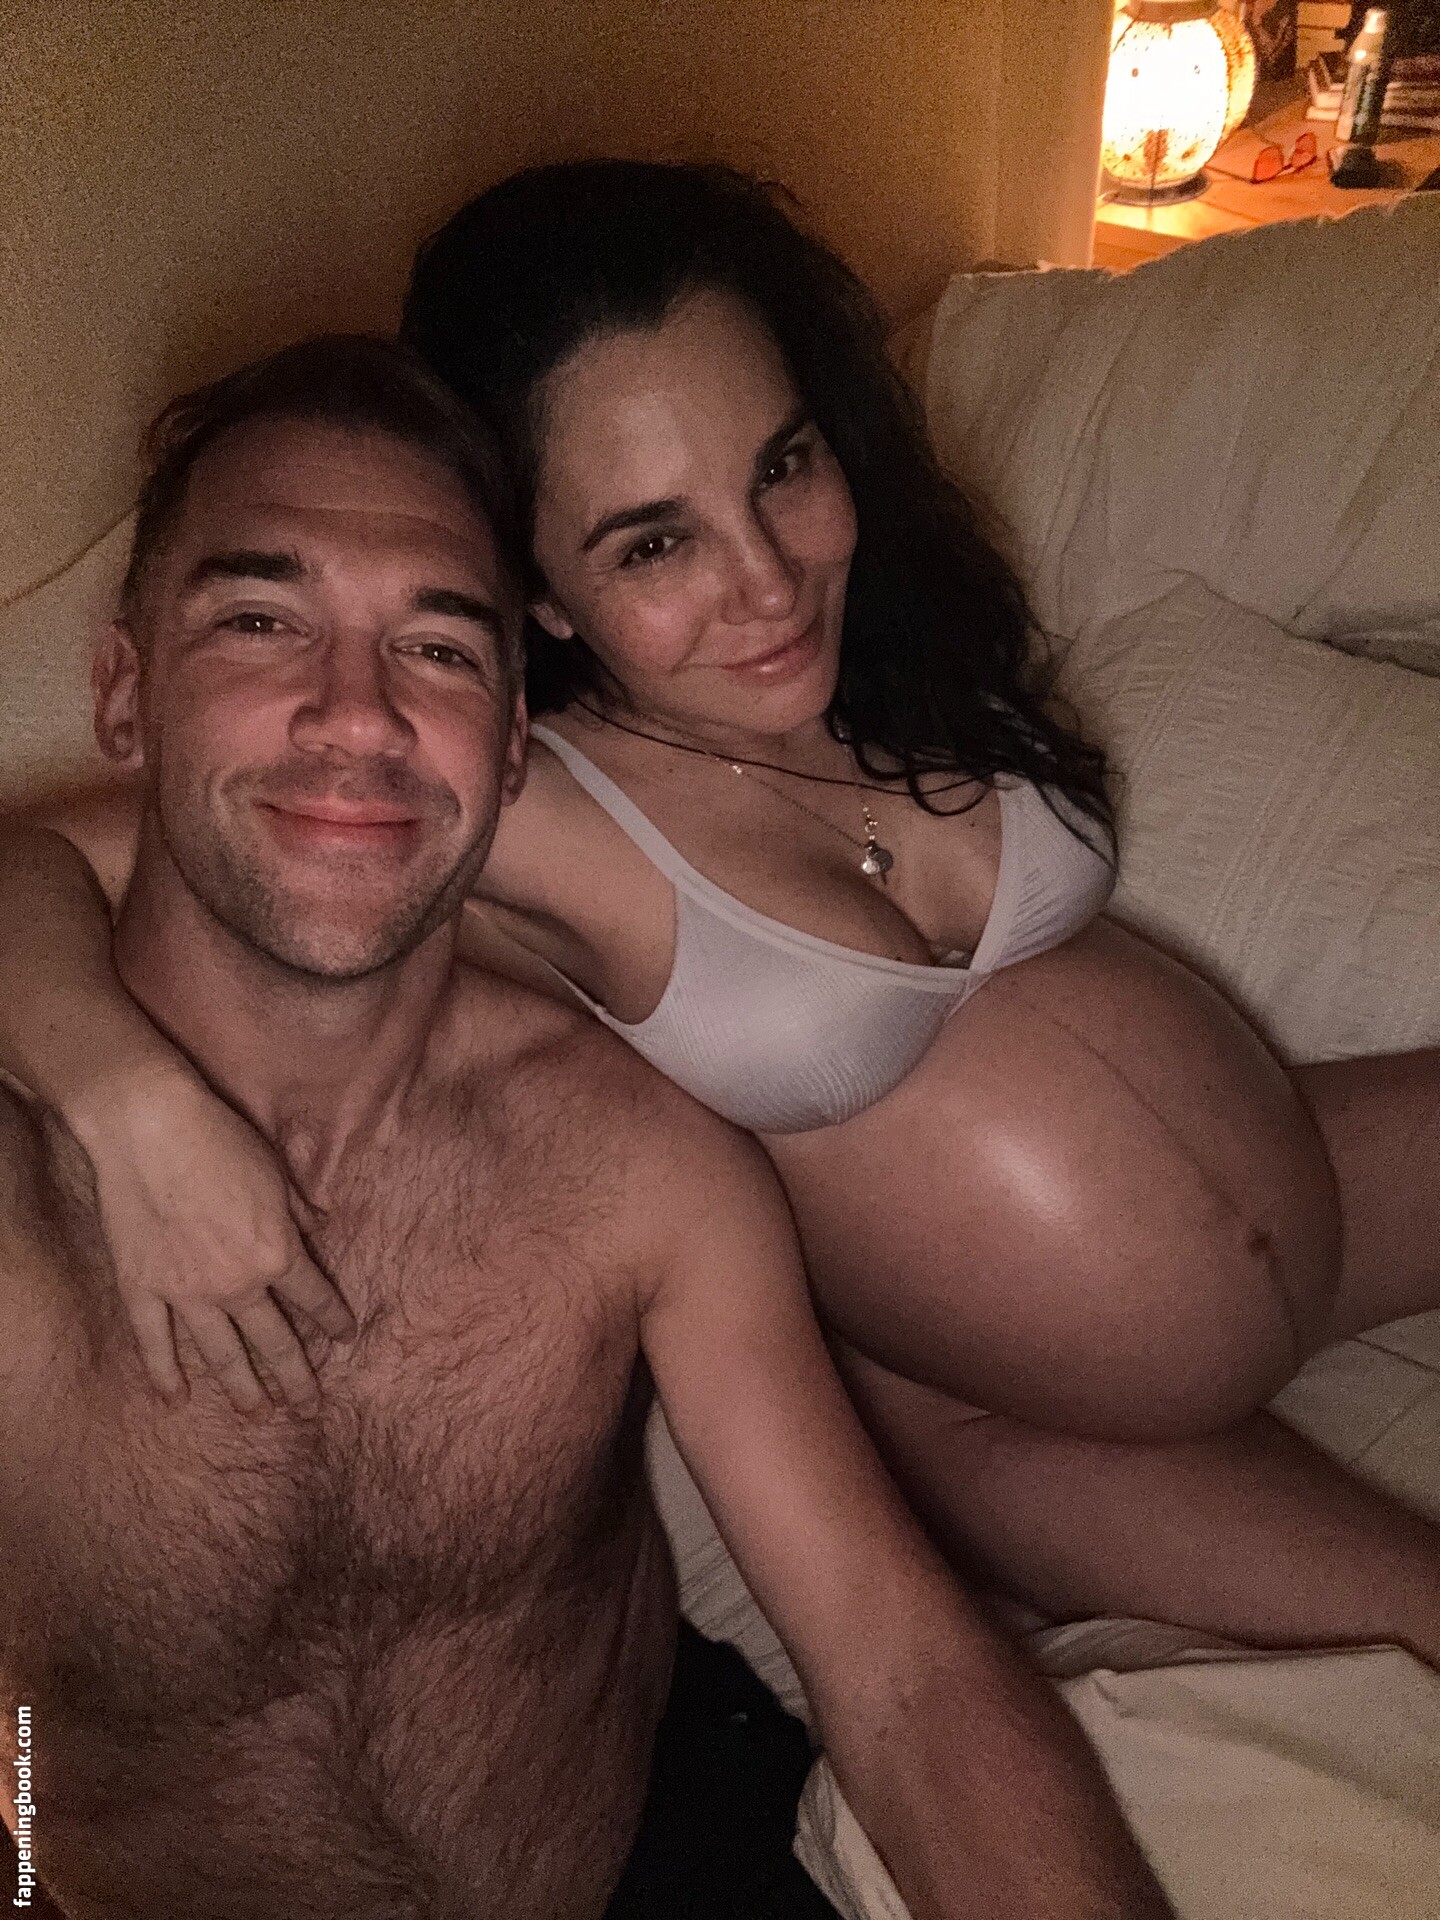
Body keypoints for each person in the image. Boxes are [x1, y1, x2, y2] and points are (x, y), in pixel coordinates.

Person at [2, 163, 1438, 1660]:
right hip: (1022, 1424)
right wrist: (129, 1108)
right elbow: (43, 863)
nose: (768, 579)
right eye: (652, 542)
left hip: (1315, 1167)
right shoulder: (519, 801)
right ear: (537, 594)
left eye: (782, 467)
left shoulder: (888, 640)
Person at [0, 335, 1174, 1920]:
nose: (356, 715)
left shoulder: (637, 1170)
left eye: (437, 646)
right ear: (124, 693)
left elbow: (897, 1666)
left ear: (507, 744)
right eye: (262, 622)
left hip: (658, 1861)